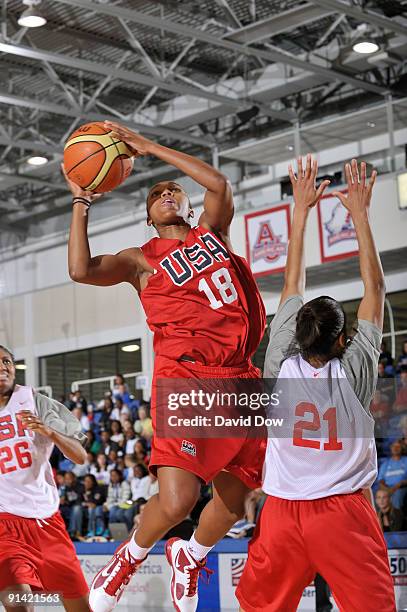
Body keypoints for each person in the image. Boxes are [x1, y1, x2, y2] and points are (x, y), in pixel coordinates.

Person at [64, 119, 266, 612]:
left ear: (189, 205)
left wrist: (148, 146)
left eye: (175, 190)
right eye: (158, 194)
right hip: (187, 375)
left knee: (239, 498)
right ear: (148, 216)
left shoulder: (213, 235)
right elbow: (80, 270)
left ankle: (191, 555)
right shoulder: (141, 259)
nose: (169, 193)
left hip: (242, 375)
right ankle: (127, 558)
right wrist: (81, 201)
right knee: (176, 502)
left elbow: (218, 183)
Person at [236, 156, 396, 611]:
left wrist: (301, 211)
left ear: (298, 332)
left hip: (282, 512)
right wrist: (360, 216)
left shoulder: (277, 369)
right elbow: (376, 290)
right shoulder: (353, 374)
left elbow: (292, 281)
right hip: (342, 512)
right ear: (344, 339)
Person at [0, 345, 90, 612]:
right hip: (4, 523)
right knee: (20, 603)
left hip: (46, 519)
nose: (3, 367)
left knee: (79, 606)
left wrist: (50, 432)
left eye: (7, 361)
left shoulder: (37, 402)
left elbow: (80, 456)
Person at [378, 441, 407, 509]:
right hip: (387, 488)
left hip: (401, 488)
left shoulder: (406, 460)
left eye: (398, 447)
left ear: (402, 449)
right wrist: (386, 489)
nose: (395, 448)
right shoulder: (385, 464)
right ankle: (381, 517)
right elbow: (381, 480)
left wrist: (400, 484)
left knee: (398, 495)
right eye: (393, 446)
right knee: (380, 496)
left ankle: (396, 518)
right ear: (390, 448)